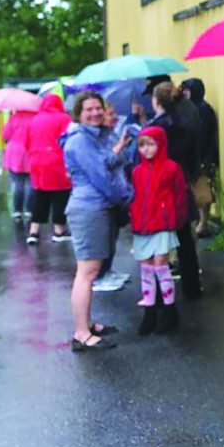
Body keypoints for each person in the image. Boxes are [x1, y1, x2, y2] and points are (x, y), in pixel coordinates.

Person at [61, 91, 133, 352]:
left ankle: (88, 323)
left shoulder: (98, 136)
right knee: (87, 273)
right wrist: (128, 198)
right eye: (88, 110)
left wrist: (119, 149)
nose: (94, 113)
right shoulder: (79, 141)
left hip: (100, 208)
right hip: (89, 210)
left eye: (97, 108)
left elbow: (107, 162)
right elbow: (102, 177)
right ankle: (81, 333)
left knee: (91, 271)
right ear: (78, 114)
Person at [129, 126, 187, 335]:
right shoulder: (137, 171)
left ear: (161, 144)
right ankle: (150, 311)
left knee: (161, 264)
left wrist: (176, 219)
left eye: (151, 144)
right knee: (145, 266)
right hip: (142, 225)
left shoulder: (171, 168)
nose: (146, 149)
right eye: (142, 145)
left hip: (163, 223)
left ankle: (170, 310)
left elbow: (180, 195)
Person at [149, 82, 203, 299]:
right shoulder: (186, 124)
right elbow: (192, 157)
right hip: (181, 185)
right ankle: (192, 288)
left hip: (160, 189)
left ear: (156, 101)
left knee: (158, 242)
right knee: (185, 241)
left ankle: (158, 293)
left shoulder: (154, 130)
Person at [91, 102, 135, 293]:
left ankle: (108, 270)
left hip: (118, 192)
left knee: (113, 233)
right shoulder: (97, 139)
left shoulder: (112, 134)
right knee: (105, 237)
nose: (114, 116)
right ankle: (99, 276)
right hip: (106, 195)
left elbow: (124, 158)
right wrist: (119, 148)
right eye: (110, 113)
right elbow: (105, 163)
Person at [25, 93, 73, 245]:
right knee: (60, 195)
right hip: (58, 161)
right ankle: (59, 230)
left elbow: (27, 143)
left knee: (40, 195)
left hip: (37, 162)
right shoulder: (64, 119)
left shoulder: (34, 120)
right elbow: (69, 142)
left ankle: (34, 231)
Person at [181, 78, 219, 237]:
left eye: (187, 90)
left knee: (202, 191)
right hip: (193, 155)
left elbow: (203, 136)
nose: (184, 93)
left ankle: (202, 223)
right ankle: (200, 223)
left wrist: (200, 157)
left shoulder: (203, 109)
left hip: (202, 155)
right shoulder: (189, 108)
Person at [1, 109, 35, 221]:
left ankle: (17, 210)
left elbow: (5, 135)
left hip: (14, 153)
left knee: (17, 182)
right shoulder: (36, 118)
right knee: (31, 183)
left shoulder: (14, 118)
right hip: (31, 151)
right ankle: (29, 209)